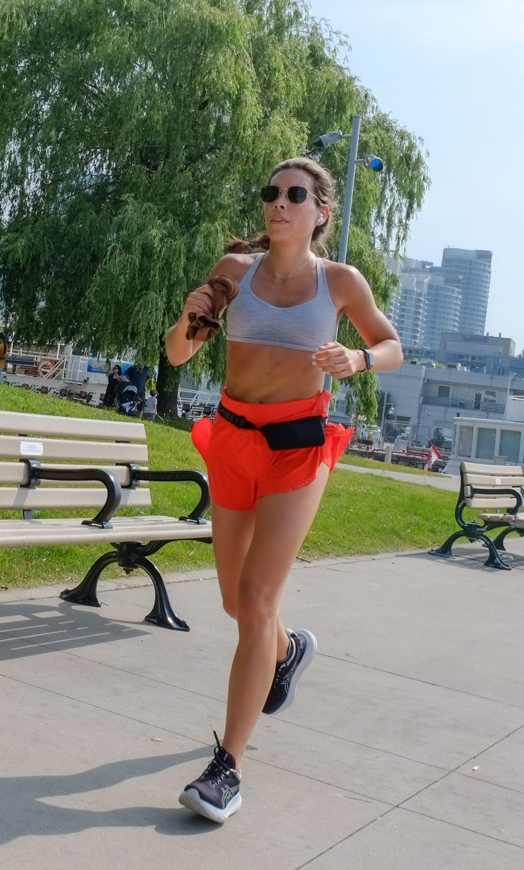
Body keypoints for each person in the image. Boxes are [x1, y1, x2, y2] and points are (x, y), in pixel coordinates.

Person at [164, 157, 402, 824]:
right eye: (271, 192)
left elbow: (391, 346)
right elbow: (179, 353)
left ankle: (227, 769)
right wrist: (189, 319)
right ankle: (288, 649)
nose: (279, 202)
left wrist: (358, 358)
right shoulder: (235, 271)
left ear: (320, 212)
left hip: (298, 446)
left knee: (256, 599)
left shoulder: (340, 281)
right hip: (235, 438)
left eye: (295, 194)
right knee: (235, 603)